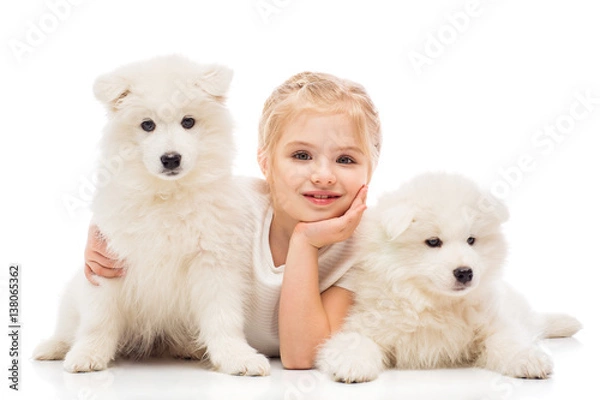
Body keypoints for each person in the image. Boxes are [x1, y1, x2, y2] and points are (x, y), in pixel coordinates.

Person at [84, 71, 382, 369]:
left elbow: (302, 355)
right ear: (265, 163)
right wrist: (99, 234)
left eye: (345, 160)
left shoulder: (361, 250)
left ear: (371, 170)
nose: (323, 176)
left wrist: (304, 242)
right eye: (302, 155)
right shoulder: (232, 201)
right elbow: (144, 207)